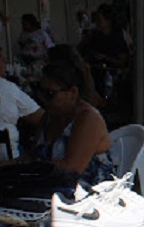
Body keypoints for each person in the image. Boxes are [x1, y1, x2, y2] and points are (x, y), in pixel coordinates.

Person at [27, 58, 114, 186]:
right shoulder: (49, 116)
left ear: (72, 92)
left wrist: (30, 168)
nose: (42, 98)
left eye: (49, 93)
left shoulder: (88, 118)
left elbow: (72, 169)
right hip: (51, 186)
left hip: (87, 192)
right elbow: (30, 157)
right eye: (38, 91)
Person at [0, 43, 44, 162]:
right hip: (7, 159)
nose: (6, 66)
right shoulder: (7, 87)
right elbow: (41, 118)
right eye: (3, 62)